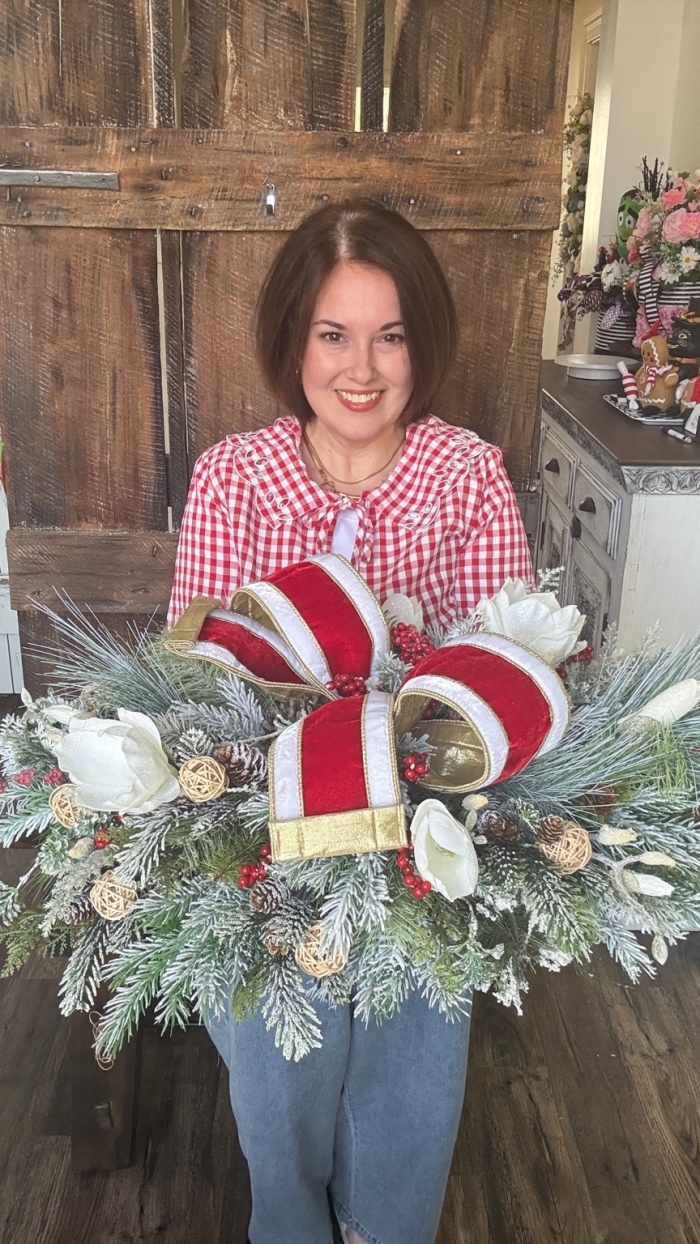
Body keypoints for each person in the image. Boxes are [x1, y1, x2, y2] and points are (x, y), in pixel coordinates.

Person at [168, 199, 533, 1244]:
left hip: (426, 818)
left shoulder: (464, 473)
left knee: (418, 981)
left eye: (390, 334)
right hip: (262, 817)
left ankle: (384, 1221)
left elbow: (500, 669)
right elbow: (199, 685)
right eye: (333, 333)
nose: (360, 368)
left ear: (424, 340)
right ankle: (286, 1217)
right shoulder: (234, 477)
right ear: (293, 338)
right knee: (278, 989)